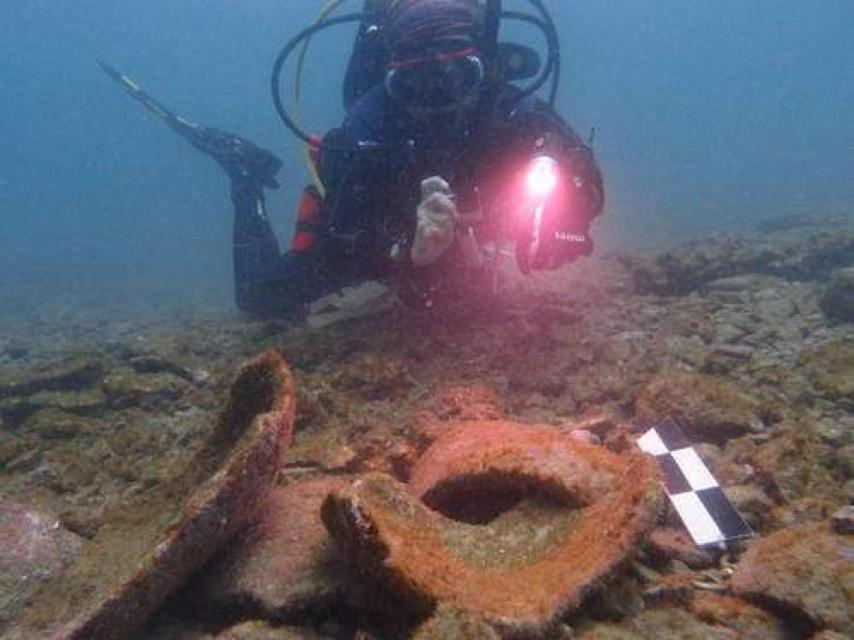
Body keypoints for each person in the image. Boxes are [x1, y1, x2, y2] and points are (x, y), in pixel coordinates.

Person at [235, 0, 605, 317]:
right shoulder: (368, 124)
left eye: (458, 74)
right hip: (394, 243)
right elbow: (344, 236)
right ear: (391, 73)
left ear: (483, 63)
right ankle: (244, 172)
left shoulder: (509, 109)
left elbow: (585, 184)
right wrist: (410, 253)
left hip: (463, 242)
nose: (438, 98)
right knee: (259, 298)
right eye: (414, 81)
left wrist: (562, 217)